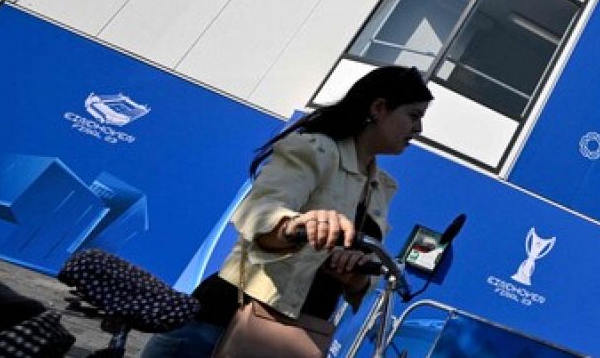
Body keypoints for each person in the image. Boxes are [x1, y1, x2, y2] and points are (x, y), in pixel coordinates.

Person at [142, 66, 431, 358]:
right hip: (220, 324)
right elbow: (260, 214)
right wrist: (298, 226)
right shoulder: (316, 149)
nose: (418, 130)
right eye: (414, 116)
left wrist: (354, 274)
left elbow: (361, 283)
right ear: (380, 108)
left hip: (295, 337)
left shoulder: (381, 188)